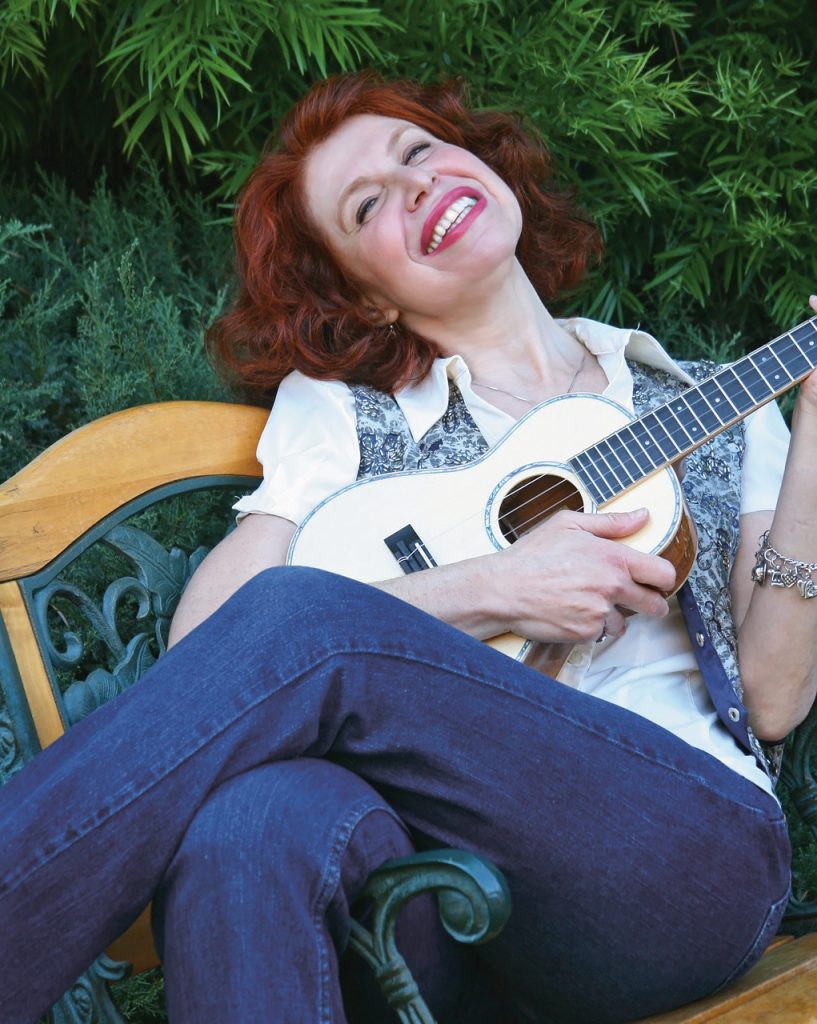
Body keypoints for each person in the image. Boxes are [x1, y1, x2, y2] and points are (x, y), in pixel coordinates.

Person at [1, 70, 816, 1024]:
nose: (416, 185)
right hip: (433, 908)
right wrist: (491, 587)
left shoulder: (710, 403)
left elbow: (772, 695)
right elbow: (219, 647)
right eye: (368, 206)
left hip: (673, 860)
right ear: (368, 297)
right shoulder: (343, 418)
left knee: (307, 620)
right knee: (255, 824)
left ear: (484, 164)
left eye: (418, 151)